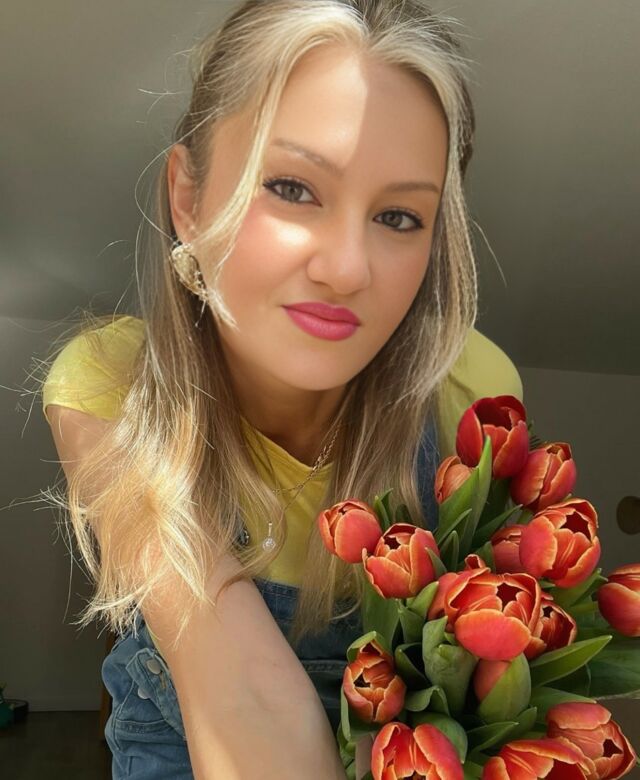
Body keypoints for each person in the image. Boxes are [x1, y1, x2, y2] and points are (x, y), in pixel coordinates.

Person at [41, 1, 523, 777]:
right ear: (188, 199)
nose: (347, 268)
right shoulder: (114, 386)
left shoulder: (474, 391)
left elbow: (490, 678)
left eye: (400, 216)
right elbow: (239, 698)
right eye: (293, 188)